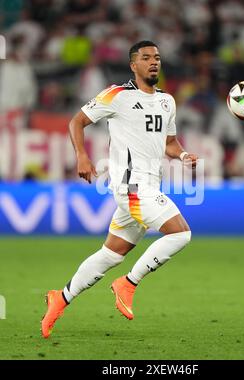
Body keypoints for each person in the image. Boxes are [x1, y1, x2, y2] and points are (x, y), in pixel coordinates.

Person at [41, 40, 198, 338]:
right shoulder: (117, 95)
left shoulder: (167, 101)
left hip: (149, 186)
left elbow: (169, 143)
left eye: (158, 57)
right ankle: (128, 283)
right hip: (131, 187)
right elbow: (77, 122)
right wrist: (83, 156)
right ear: (133, 65)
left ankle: (59, 298)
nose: (154, 62)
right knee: (181, 233)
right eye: (146, 57)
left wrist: (183, 155)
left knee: (110, 255)